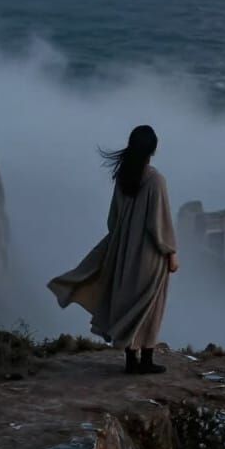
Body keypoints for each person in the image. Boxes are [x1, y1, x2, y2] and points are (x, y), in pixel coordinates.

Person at [48, 124, 179, 374]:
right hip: (149, 254)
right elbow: (159, 223)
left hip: (123, 251)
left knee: (129, 302)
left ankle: (131, 361)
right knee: (150, 305)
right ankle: (147, 359)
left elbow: (113, 220)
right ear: (153, 149)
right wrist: (171, 252)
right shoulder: (155, 181)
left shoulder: (124, 177)